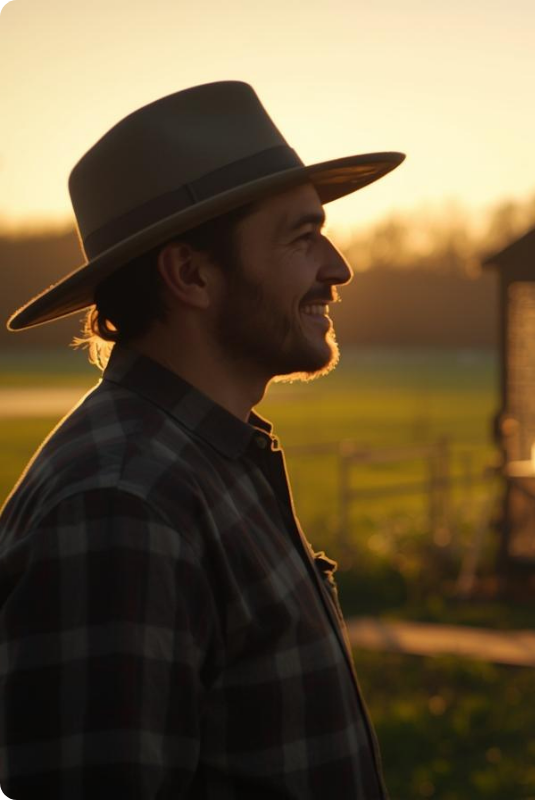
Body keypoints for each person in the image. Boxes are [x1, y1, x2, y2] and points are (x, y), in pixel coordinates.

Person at [0, 81, 404, 798]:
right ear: (191, 274)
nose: (338, 268)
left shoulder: (208, 460)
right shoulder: (122, 503)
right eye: (302, 236)